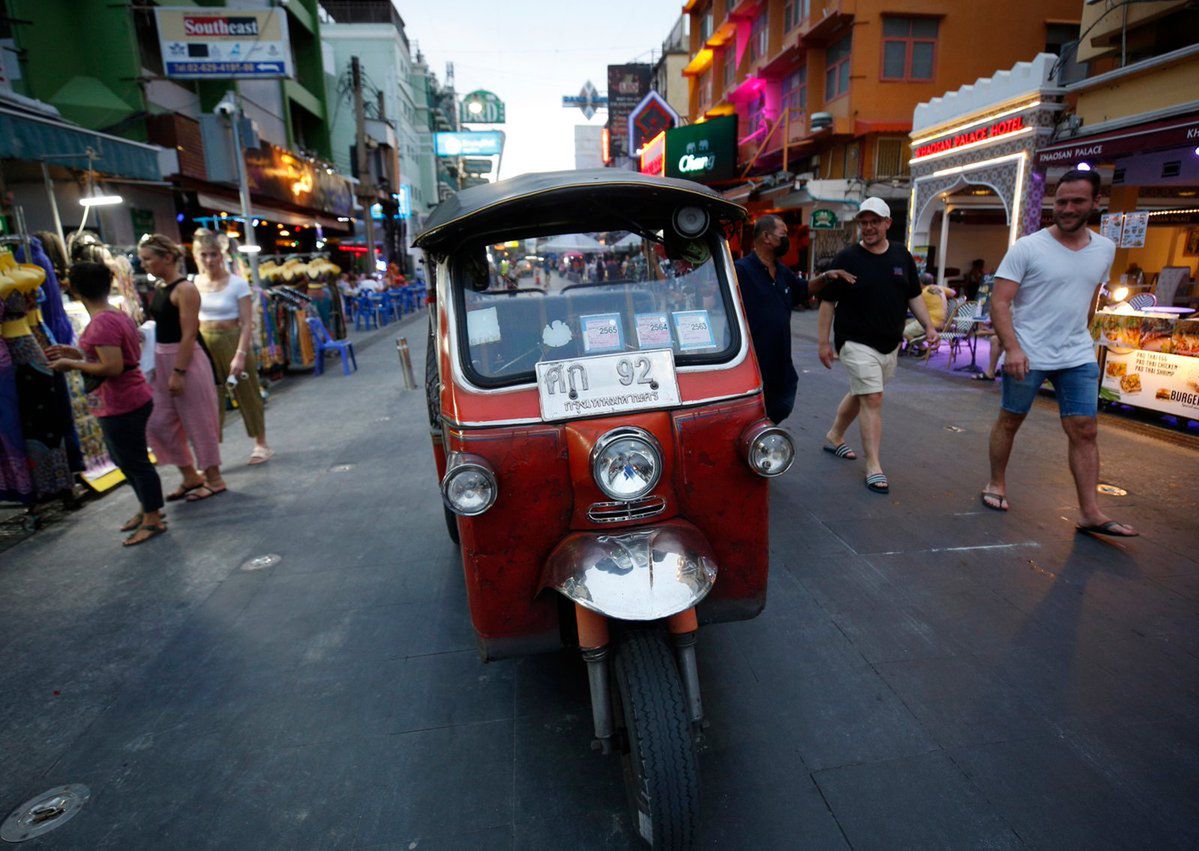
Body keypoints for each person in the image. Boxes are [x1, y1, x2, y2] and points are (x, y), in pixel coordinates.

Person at [981, 169, 1137, 537]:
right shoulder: (1028, 247)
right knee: (1010, 420)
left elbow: (1091, 296)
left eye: (1077, 201)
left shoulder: (1105, 248)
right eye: (1061, 201)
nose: (1067, 209)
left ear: (1095, 203)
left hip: (1077, 354)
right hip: (1029, 353)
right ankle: (996, 483)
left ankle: (1090, 512)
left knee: (1085, 429)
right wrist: (1013, 348)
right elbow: (999, 303)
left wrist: (1084, 332)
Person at [817, 198, 939, 493]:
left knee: (862, 393)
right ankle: (874, 466)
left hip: (889, 344)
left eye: (874, 222)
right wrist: (823, 343)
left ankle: (834, 436)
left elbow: (913, 295)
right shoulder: (847, 258)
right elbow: (827, 302)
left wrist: (929, 326)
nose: (868, 228)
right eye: (864, 222)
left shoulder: (901, 255)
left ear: (887, 223)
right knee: (872, 397)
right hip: (855, 341)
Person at [47, 263, 165, 545]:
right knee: (127, 460)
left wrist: (71, 363)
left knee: (134, 462)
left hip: (122, 401)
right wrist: (76, 352)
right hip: (127, 396)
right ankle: (147, 509)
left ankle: (153, 517)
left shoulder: (102, 322)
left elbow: (111, 366)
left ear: (73, 289)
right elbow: (113, 355)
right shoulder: (115, 314)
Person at [139, 233, 226, 503]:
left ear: (167, 258)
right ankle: (190, 474)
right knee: (157, 423)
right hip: (163, 359)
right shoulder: (163, 288)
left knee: (198, 421)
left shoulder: (185, 289)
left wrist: (178, 371)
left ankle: (214, 478)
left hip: (184, 360)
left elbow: (189, 333)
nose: (144, 265)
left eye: (147, 259)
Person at [736, 215, 849, 423]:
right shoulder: (741, 270)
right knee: (754, 418)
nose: (787, 238)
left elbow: (803, 289)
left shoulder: (781, 271)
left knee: (782, 405)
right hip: (753, 363)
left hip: (781, 363)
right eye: (784, 234)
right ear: (767, 237)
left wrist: (826, 276)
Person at [192, 229, 272, 465]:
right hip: (205, 341)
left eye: (213, 254)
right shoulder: (194, 283)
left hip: (233, 338)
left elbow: (247, 323)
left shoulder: (237, 284)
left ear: (221, 255)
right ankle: (210, 454)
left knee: (248, 392)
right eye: (204, 255)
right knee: (208, 398)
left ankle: (261, 443)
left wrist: (240, 354)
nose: (209, 260)